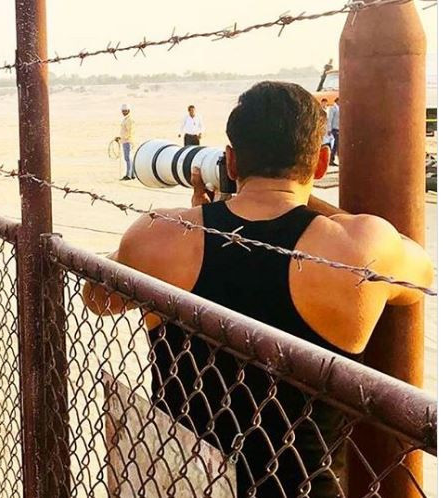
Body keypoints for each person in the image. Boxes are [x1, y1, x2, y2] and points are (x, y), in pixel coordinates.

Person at [82, 82, 432, 496]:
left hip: (187, 482)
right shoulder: (359, 248)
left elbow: (97, 298)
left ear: (230, 162)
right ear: (321, 163)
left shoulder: (160, 234)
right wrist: (310, 204)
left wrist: (203, 214)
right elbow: (421, 274)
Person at [115, 104, 135, 181]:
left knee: (127, 158)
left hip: (127, 141)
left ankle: (128, 175)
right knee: (129, 158)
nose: (124, 112)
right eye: (123, 111)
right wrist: (120, 138)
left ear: (129, 111)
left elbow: (130, 132)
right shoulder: (126, 119)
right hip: (125, 140)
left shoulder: (129, 120)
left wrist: (121, 139)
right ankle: (132, 174)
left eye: (125, 111)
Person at [329, 98, 340, 165]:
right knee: (336, 144)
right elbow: (330, 119)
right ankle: (331, 159)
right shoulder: (333, 108)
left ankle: (333, 159)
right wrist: (329, 129)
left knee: (337, 144)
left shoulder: (340, 108)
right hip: (335, 128)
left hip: (339, 128)